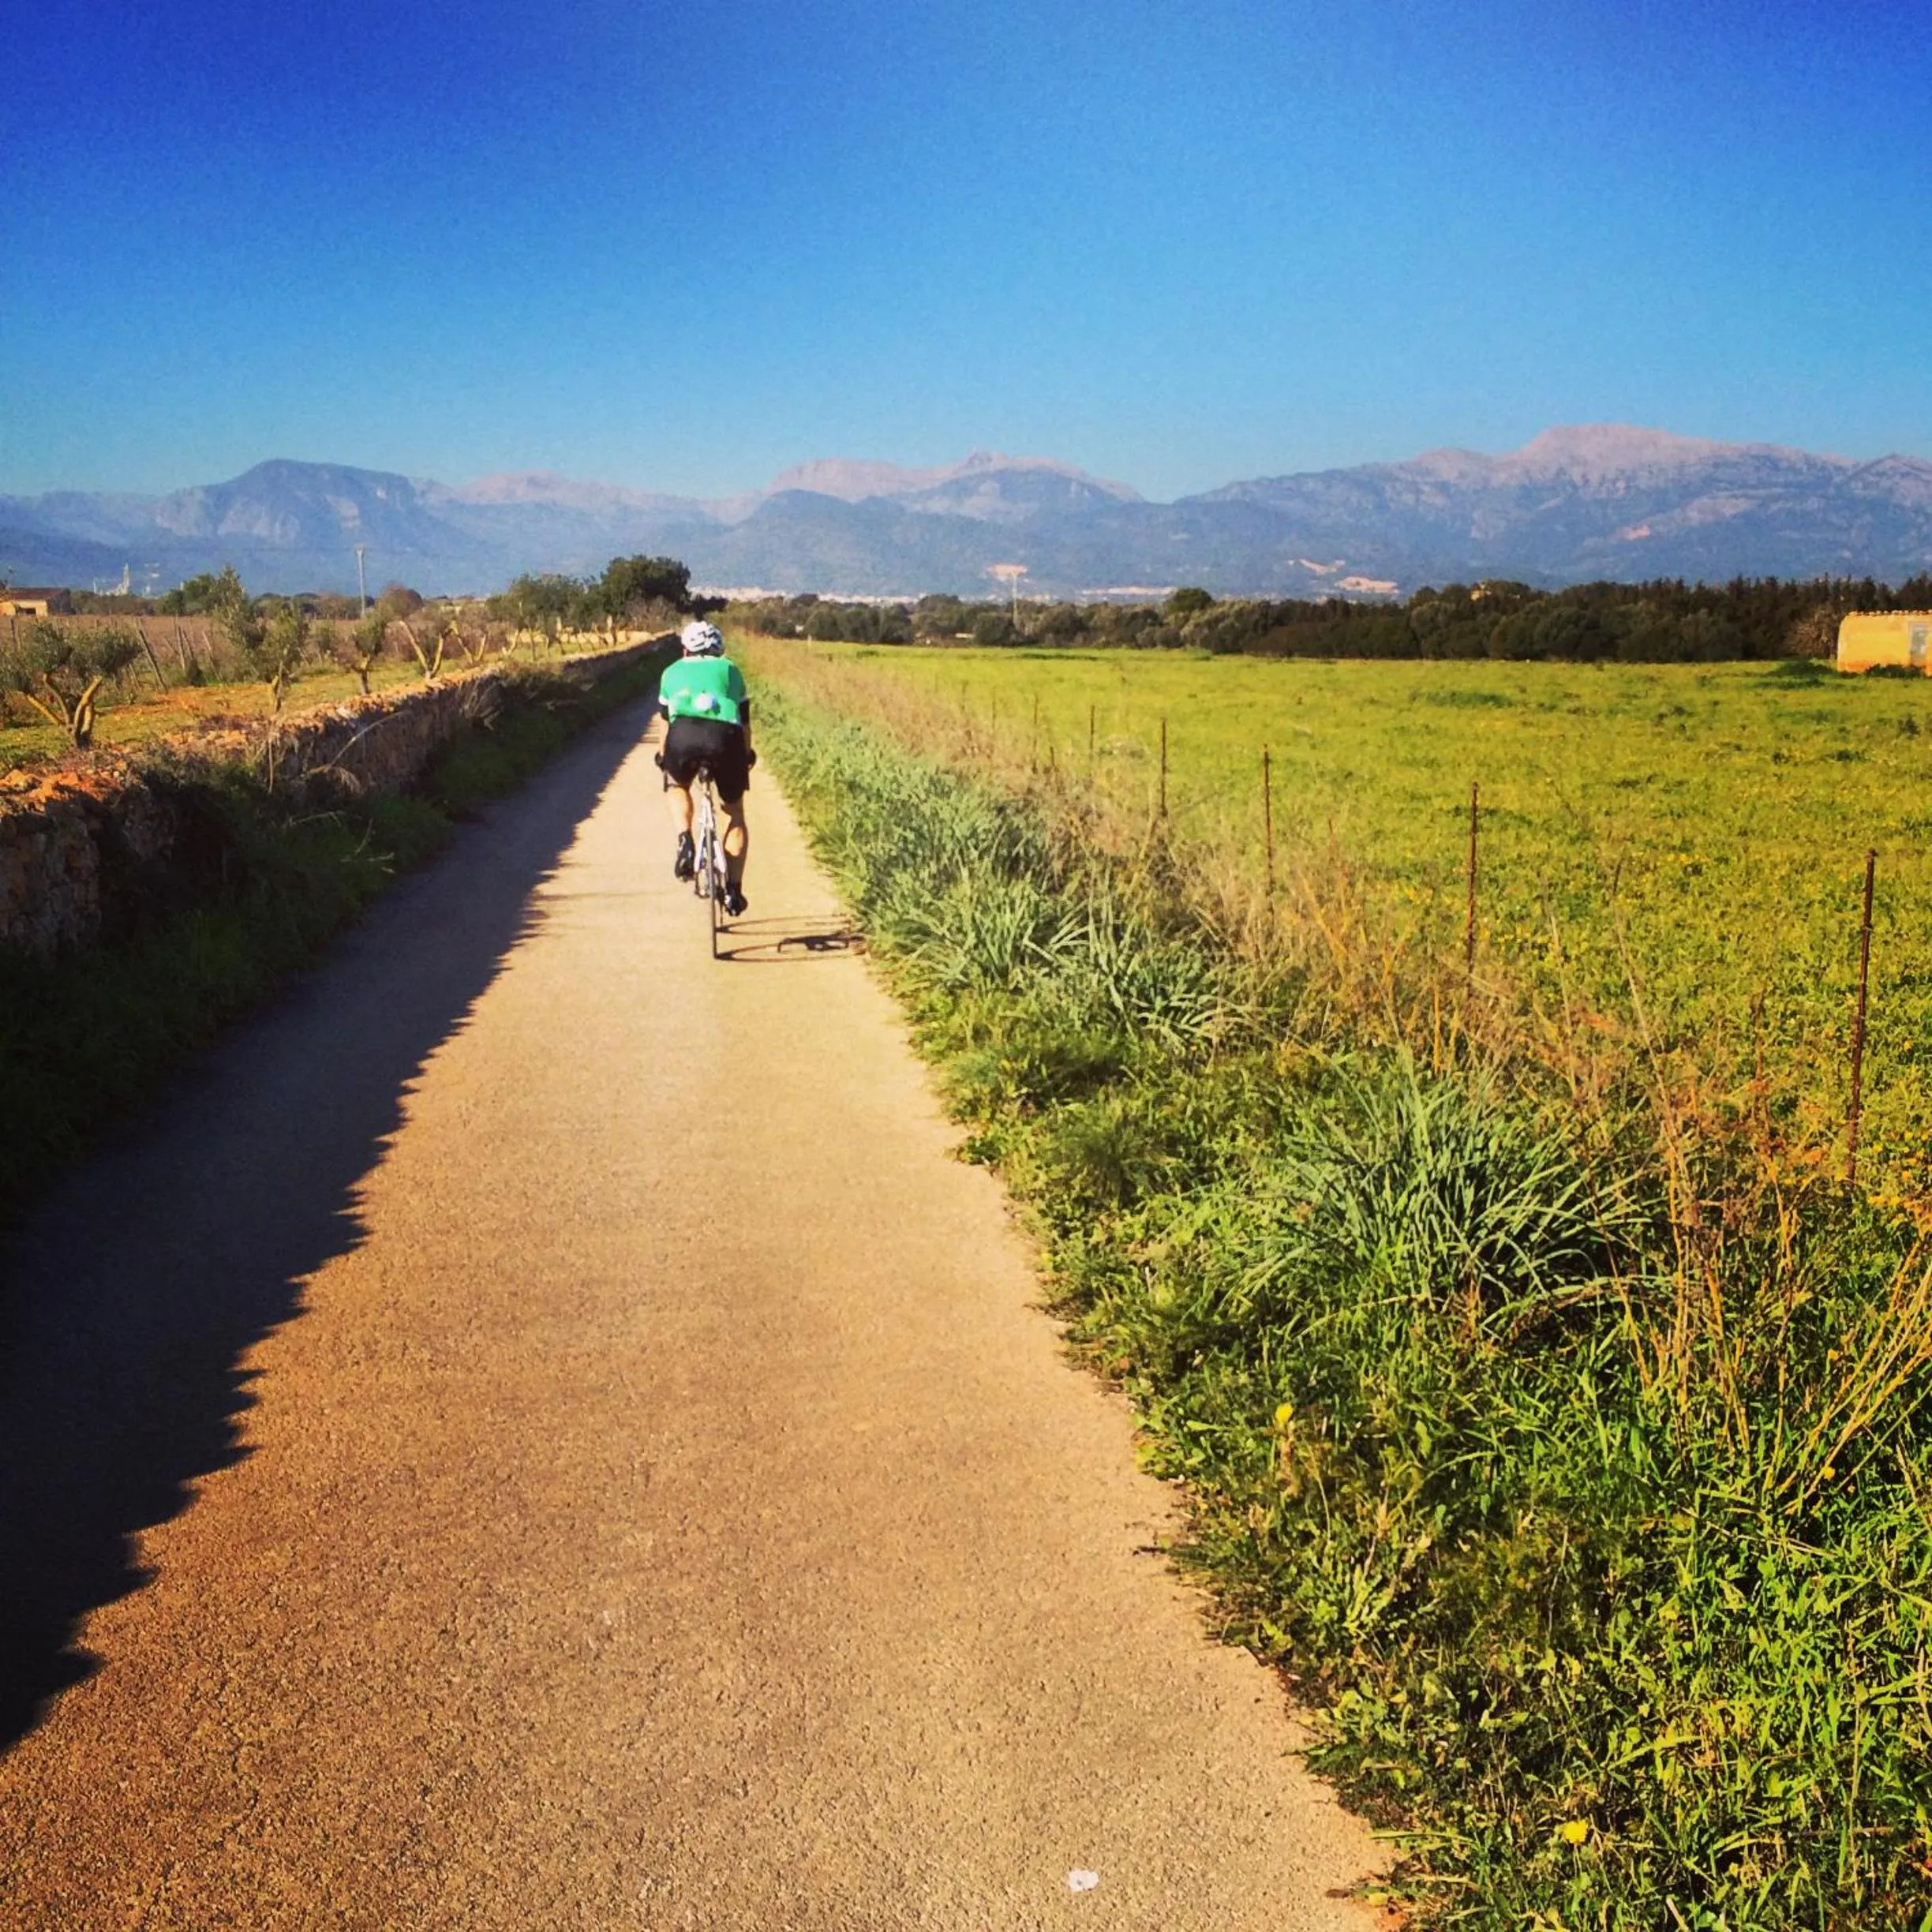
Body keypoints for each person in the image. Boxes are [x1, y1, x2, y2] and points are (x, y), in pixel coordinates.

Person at [657, 619, 754, 914]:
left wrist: (663, 757)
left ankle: (685, 838)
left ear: (685, 649)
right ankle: (734, 891)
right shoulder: (731, 669)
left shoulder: (671, 671)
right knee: (735, 814)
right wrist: (746, 755)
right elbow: (744, 722)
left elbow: (665, 723)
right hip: (725, 740)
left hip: (683, 736)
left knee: (676, 786)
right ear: (719, 650)